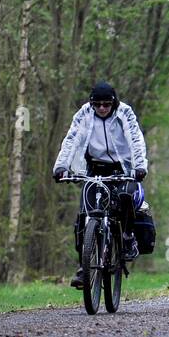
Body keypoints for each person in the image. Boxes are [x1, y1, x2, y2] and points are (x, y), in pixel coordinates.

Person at [52, 81, 148, 289]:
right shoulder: (84, 114)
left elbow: (136, 139)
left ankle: (127, 236)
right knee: (84, 216)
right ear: (92, 104)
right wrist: (61, 166)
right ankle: (83, 266)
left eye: (107, 104)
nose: (102, 108)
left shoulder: (125, 113)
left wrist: (139, 167)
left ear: (114, 103)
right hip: (95, 170)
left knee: (127, 198)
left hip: (122, 169)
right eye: (98, 105)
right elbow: (71, 140)